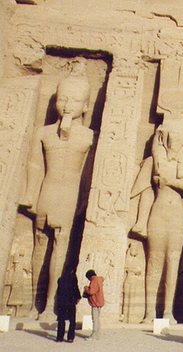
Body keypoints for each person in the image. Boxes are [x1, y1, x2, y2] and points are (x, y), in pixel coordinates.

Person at [19, 59, 95, 319]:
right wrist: (29, 194)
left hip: (70, 194)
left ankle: (52, 303)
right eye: (63, 100)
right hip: (47, 191)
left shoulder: (88, 136)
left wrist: (85, 201)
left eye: (74, 102)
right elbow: (34, 165)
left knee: (62, 247)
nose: (67, 106)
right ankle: (33, 302)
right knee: (39, 245)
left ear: (85, 106)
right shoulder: (43, 132)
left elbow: (87, 173)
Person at [131, 119, 183, 324]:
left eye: (179, 139)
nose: (174, 144)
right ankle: (149, 312)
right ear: (163, 139)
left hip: (177, 217)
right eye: (171, 139)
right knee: (154, 263)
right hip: (158, 215)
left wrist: (172, 182)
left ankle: (168, 312)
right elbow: (138, 189)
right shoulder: (153, 162)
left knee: (173, 263)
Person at [55, 271, 80, 343]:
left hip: (62, 302)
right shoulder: (73, 279)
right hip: (70, 302)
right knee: (72, 321)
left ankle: (59, 338)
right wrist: (77, 298)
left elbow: (58, 292)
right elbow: (76, 289)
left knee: (61, 320)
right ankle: (70, 337)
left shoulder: (60, 280)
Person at [83, 269, 104, 340]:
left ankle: (94, 335)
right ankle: (97, 334)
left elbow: (91, 291)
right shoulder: (99, 280)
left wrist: (86, 288)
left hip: (95, 302)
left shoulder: (94, 281)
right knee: (97, 319)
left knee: (94, 319)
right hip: (99, 301)